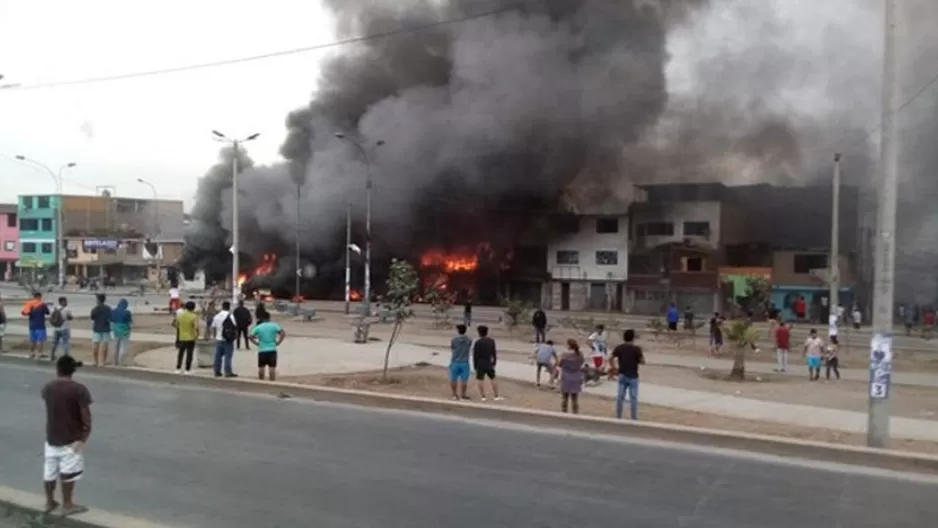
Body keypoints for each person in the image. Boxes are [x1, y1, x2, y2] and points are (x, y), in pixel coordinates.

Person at [41, 355, 92, 516]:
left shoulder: (47, 388)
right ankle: (67, 504)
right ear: (73, 371)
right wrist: (83, 437)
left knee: (49, 471)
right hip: (71, 439)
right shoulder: (79, 389)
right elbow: (86, 418)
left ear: (57, 370)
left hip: (51, 438)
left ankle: (49, 502)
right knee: (68, 474)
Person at [610, 329, 644, 420]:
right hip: (633, 375)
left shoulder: (619, 348)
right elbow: (642, 362)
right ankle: (633, 418)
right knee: (633, 398)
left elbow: (611, 358)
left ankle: (618, 416)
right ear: (633, 338)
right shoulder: (636, 349)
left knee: (620, 397)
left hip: (622, 374)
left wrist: (614, 368)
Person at [250, 311, 285, 381]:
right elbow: (282, 333)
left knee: (261, 368)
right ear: (269, 317)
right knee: (272, 368)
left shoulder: (259, 327)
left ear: (262, 318)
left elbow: (250, 336)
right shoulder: (274, 325)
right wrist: (278, 342)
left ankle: (261, 381)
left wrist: (256, 343)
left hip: (262, 349)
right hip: (272, 349)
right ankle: (272, 381)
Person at [472, 325, 501, 401]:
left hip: (480, 363)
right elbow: (494, 353)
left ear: (479, 333)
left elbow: (475, 355)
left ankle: (483, 396)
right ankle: (496, 395)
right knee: (493, 378)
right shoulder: (491, 341)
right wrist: (494, 362)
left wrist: (475, 365)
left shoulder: (477, 343)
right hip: (488, 362)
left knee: (480, 379)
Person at [212, 300, 238, 378]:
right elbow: (234, 327)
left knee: (218, 356)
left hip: (219, 338)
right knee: (228, 356)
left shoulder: (216, 316)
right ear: (229, 307)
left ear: (222, 307)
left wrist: (215, 336)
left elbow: (213, 328)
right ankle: (227, 372)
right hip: (228, 339)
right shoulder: (231, 316)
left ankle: (217, 371)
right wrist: (235, 336)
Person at [558, 339, 584, 414]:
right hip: (576, 377)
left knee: (565, 397)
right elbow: (581, 362)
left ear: (568, 345)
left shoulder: (564, 354)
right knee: (575, 398)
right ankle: (575, 413)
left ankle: (564, 413)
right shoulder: (580, 354)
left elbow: (560, 364)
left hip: (566, 377)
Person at [23, 292, 50, 360]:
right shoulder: (42, 304)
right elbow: (47, 312)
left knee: (33, 340)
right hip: (40, 325)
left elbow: (24, 312)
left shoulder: (29, 303)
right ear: (39, 297)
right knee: (40, 340)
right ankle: (39, 353)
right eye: (41, 297)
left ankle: (32, 353)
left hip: (32, 325)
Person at [174, 301, 199, 374]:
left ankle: (178, 368)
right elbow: (196, 327)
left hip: (181, 337)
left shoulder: (180, 315)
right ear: (193, 308)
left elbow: (176, 325)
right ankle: (187, 369)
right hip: (190, 337)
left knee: (180, 353)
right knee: (189, 354)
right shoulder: (194, 316)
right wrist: (196, 336)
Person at [449, 324, 472, 400]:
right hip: (464, 362)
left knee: (453, 379)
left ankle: (454, 394)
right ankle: (463, 394)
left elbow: (452, 348)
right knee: (464, 380)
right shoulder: (469, 339)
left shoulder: (454, 340)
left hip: (455, 361)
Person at [89, 294, 112, 367]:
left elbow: (92, 317)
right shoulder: (108, 308)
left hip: (97, 328)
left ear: (98, 300)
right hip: (105, 328)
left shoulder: (95, 309)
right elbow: (111, 318)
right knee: (104, 346)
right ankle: (102, 362)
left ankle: (94, 361)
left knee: (95, 345)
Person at [49, 297, 74, 361]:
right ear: (62, 302)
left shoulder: (54, 309)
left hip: (56, 328)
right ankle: (66, 358)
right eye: (65, 301)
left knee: (54, 343)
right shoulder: (67, 309)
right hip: (65, 328)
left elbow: (51, 317)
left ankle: (52, 355)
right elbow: (70, 317)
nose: (66, 302)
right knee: (65, 343)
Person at [110, 299, 133, 366]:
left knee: (115, 346)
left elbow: (111, 321)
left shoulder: (113, 311)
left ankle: (114, 362)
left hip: (115, 330)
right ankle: (121, 362)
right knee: (124, 346)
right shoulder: (127, 312)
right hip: (125, 331)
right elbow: (130, 323)